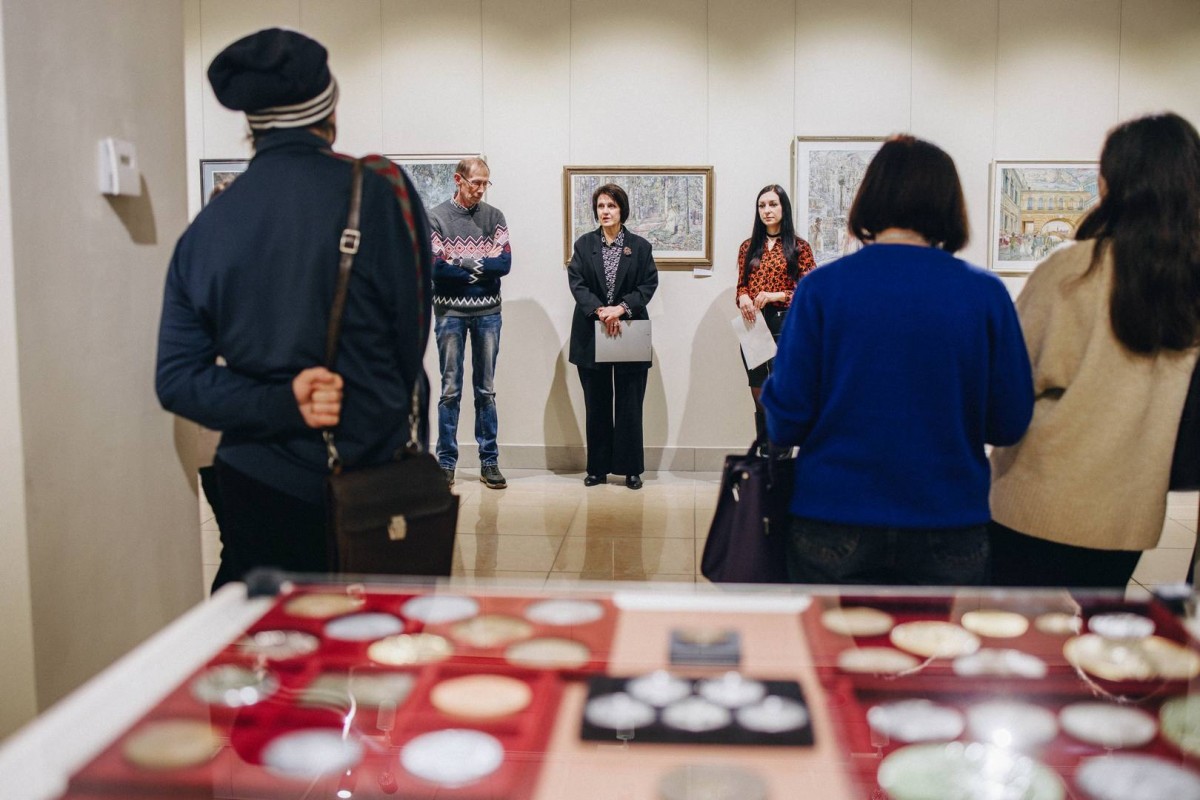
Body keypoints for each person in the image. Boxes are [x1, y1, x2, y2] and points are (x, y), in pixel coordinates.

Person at [156, 28, 431, 591]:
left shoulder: (208, 228)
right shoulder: (376, 192)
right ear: (328, 111)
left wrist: (282, 401)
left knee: (271, 655)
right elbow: (410, 338)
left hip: (255, 481)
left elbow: (177, 382)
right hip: (366, 475)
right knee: (370, 653)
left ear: (251, 123)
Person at [761, 135, 1033, 586]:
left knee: (833, 655)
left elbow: (785, 419)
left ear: (870, 198)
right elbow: (1009, 421)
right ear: (949, 205)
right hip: (947, 514)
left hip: (833, 511)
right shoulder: (984, 294)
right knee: (931, 653)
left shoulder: (822, 290)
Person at [989, 113, 1200, 589]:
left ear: (1115, 179)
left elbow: (1010, 380)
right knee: (1098, 642)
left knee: (1018, 641)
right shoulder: (1188, 285)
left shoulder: (1075, 270)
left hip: (1038, 498)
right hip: (1128, 511)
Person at [567, 183, 659, 489]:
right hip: (591, 333)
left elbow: (647, 285)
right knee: (597, 403)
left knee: (630, 404)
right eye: (601, 206)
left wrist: (620, 309)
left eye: (611, 206)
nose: (605, 211)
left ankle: (631, 469)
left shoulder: (640, 247)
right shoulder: (583, 245)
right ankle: (598, 468)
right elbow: (577, 284)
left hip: (629, 331)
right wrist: (601, 312)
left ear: (622, 210)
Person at [428, 158, 512, 489]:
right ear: (458, 180)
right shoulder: (436, 216)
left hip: (488, 312)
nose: (480, 190)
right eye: (475, 183)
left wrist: (459, 261)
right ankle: (446, 463)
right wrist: (481, 265)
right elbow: (437, 269)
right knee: (450, 390)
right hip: (449, 312)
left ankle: (488, 462)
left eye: (485, 183)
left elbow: (504, 263)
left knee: (486, 390)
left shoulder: (495, 217)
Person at [735, 184, 816, 445]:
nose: (767, 210)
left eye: (773, 204)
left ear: (784, 208)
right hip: (753, 325)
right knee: (758, 391)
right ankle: (765, 452)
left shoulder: (799, 247)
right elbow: (741, 286)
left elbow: (808, 293)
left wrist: (776, 295)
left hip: (786, 325)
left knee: (783, 391)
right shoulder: (748, 247)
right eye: (762, 205)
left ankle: (782, 454)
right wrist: (744, 296)